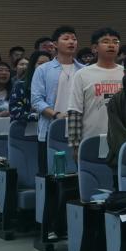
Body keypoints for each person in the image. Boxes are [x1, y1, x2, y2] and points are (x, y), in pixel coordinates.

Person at [65, 28, 125, 161]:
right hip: (91, 139)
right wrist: (75, 145)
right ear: (94, 48)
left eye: (115, 42)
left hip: (122, 139)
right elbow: (75, 111)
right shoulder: (82, 74)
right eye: (106, 41)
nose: (111, 45)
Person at [31, 25, 84, 172]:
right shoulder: (43, 69)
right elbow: (36, 100)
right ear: (55, 44)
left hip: (79, 129)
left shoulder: (84, 70)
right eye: (66, 39)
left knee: (78, 174)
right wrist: (56, 114)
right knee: (50, 174)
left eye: (74, 39)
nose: (71, 42)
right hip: (51, 128)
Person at [10, 51, 51, 122]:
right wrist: (43, 115)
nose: (44, 67)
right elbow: (15, 112)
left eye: (48, 64)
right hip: (27, 127)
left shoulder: (55, 86)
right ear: (32, 65)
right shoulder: (20, 86)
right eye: (40, 63)